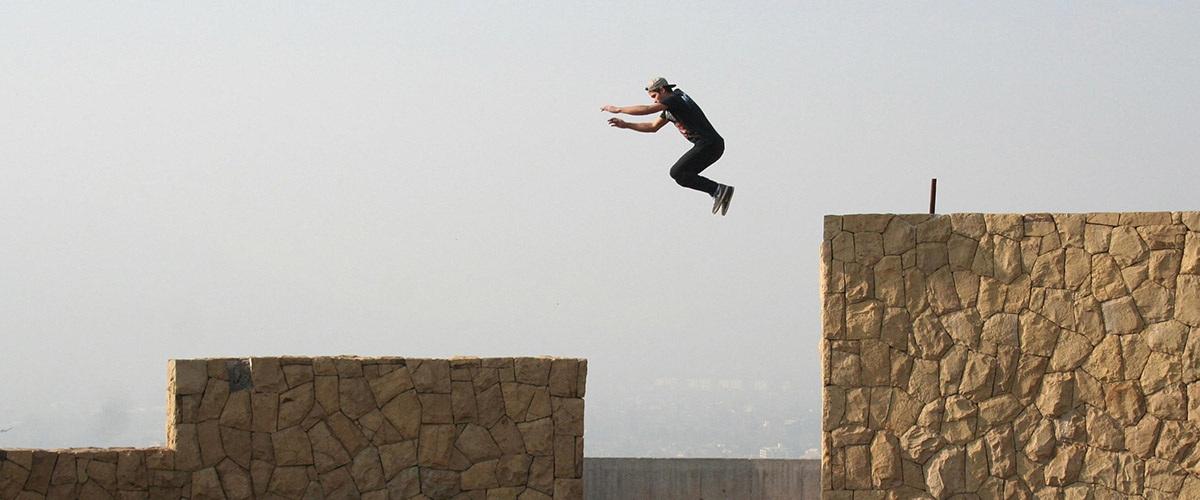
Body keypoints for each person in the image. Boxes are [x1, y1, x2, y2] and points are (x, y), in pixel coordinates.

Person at [602, 77, 734, 215]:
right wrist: (626, 125)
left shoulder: (676, 98)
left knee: (678, 172)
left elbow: (647, 109)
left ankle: (718, 189)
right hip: (711, 145)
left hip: (709, 144)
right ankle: (717, 190)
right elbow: (653, 126)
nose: (654, 101)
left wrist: (618, 109)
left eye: (655, 96)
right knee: (682, 175)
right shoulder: (671, 108)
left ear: (663, 90)